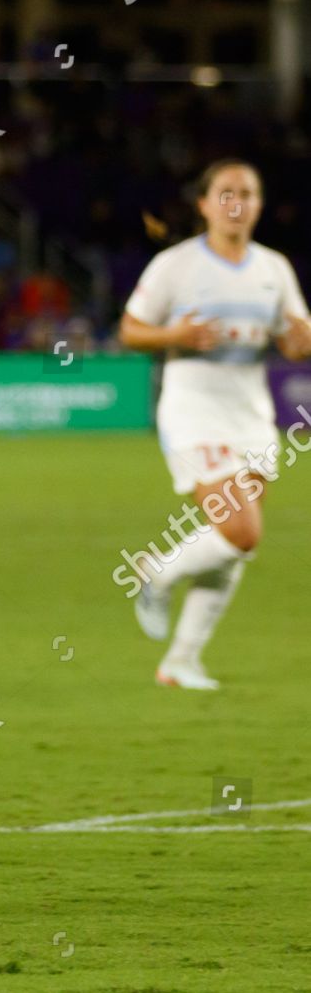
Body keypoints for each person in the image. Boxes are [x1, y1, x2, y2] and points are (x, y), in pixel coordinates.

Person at [120, 159, 311, 689]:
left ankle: (181, 661)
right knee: (240, 529)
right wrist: (172, 334)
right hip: (193, 412)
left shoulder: (274, 269)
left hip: (251, 417)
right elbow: (131, 330)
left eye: (246, 193)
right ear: (204, 205)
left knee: (231, 548)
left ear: (258, 205)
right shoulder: (175, 266)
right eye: (225, 192)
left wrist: (299, 343)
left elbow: (298, 333)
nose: (236, 202)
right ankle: (154, 573)